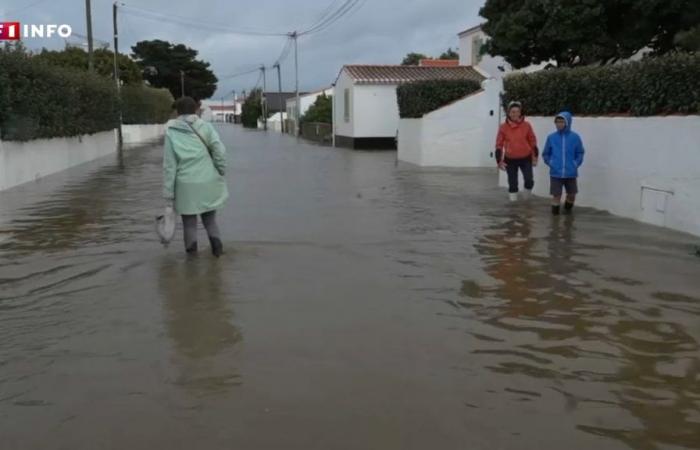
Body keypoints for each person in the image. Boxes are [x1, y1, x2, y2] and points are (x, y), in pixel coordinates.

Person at [163, 97, 228, 256]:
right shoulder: (206, 127)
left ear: (177, 112)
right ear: (196, 110)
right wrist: (220, 170)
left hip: (186, 185)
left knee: (189, 225)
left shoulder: (171, 132)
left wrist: (168, 194)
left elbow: (169, 166)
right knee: (210, 221)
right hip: (208, 180)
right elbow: (219, 151)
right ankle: (218, 255)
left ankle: (191, 265)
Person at [542, 111, 585, 215]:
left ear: (567, 122)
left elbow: (580, 152)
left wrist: (575, 164)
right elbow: (545, 154)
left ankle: (567, 215)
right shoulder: (551, 137)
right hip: (555, 173)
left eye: (562, 121)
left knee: (572, 195)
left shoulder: (575, 137)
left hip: (571, 173)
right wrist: (551, 163)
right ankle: (555, 222)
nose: (559, 124)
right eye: (557, 122)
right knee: (556, 196)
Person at [495, 101, 539, 202]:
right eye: (512, 112)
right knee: (513, 184)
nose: (515, 114)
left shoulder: (527, 125)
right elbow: (499, 145)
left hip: (526, 158)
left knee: (529, 181)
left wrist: (535, 157)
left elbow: (533, 141)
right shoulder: (503, 127)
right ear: (508, 113)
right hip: (510, 160)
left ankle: (526, 202)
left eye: (517, 111)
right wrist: (499, 161)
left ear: (520, 113)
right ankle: (513, 209)